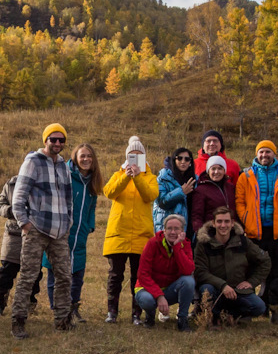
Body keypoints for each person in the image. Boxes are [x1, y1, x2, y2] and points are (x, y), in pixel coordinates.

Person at [9, 122, 75, 338]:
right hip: (37, 228)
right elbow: (18, 196)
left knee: (65, 276)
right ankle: (18, 321)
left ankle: (62, 320)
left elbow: (68, 197)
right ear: (45, 140)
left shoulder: (64, 165)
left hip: (60, 231)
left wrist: (69, 221)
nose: (57, 143)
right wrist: (25, 223)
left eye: (61, 140)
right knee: (29, 275)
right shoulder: (32, 162)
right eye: (53, 139)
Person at [233, 139, 278, 323]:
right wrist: (247, 220)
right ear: (256, 154)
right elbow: (239, 201)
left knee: (276, 272)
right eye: (261, 152)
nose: (264, 155)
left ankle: (276, 309)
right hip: (254, 233)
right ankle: (249, 310)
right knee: (249, 271)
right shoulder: (246, 176)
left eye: (268, 152)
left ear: (274, 154)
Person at [101, 136, 160, 324]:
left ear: (144, 158)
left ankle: (136, 314)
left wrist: (138, 177)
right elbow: (109, 192)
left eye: (139, 156)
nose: (135, 160)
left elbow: (150, 195)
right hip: (119, 232)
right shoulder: (118, 175)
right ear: (126, 158)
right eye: (131, 156)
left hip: (141, 235)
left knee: (138, 277)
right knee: (115, 275)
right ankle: (112, 312)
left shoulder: (150, 177)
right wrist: (126, 176)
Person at [44, 142, 101, 321]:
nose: (86, 159)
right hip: (61, 231)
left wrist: (89, 225)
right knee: (56, 270)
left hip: (80, 234)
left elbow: (92, 207)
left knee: (78, 273)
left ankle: (73, 307)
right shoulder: (65, 174)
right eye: (82, 156)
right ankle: (58, 309)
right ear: (75, 158)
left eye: (89, 156)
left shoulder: (92, 181)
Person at [192, 204, 270, 327]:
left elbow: (265, 261)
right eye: (219, 222)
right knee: (206, 290)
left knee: (259, 307)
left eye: (227, 221)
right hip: (215, 289)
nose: (223, 225)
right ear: (213, 223)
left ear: (232, 223)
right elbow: (200, 271)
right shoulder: (204, 243)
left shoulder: (242, 241)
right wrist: (222, 286)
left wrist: (251, 282)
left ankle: (231, 316)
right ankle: (214, 316)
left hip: (237, 291)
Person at [134, 212, 197, 331]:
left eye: (176, 229)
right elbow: (142, 274)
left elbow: (188, 270)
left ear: (182, 231)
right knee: (147, 301)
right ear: (164, 230)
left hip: (170, 289)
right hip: (147, 289)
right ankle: (150, 314)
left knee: (189, 281)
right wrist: (159, 296)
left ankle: (182, 319)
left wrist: (177, 247)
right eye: (169, 228)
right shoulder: (152, 243)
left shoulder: (185, 245)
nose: (173, 232)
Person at [0, 174, 23, 316]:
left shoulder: (44, 183)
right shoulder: (11, 184)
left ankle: (29, 304)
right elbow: (0, 205)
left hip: (36, 235)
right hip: (13, 234)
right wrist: (10, 211)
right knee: (7, 271)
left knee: (35, 273)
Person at [187, 154, 238, 232]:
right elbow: (197, 216)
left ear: (224, 171)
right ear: (208, 171)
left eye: (220, 168)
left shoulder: (230, 187)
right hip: (211, 233)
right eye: (213, 169)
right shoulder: (201, 190)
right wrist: (202, 234)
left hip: (230, 231)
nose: (216, 172)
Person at [153, 147, 196, 231]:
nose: (183, 162)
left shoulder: (194, 179)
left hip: (188, 226)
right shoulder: (163, 177)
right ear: (174, 160)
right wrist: (181, 192)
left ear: (190, 162)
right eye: (179, 158)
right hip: (166, 225)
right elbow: (161, 202)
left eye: (187, 159)